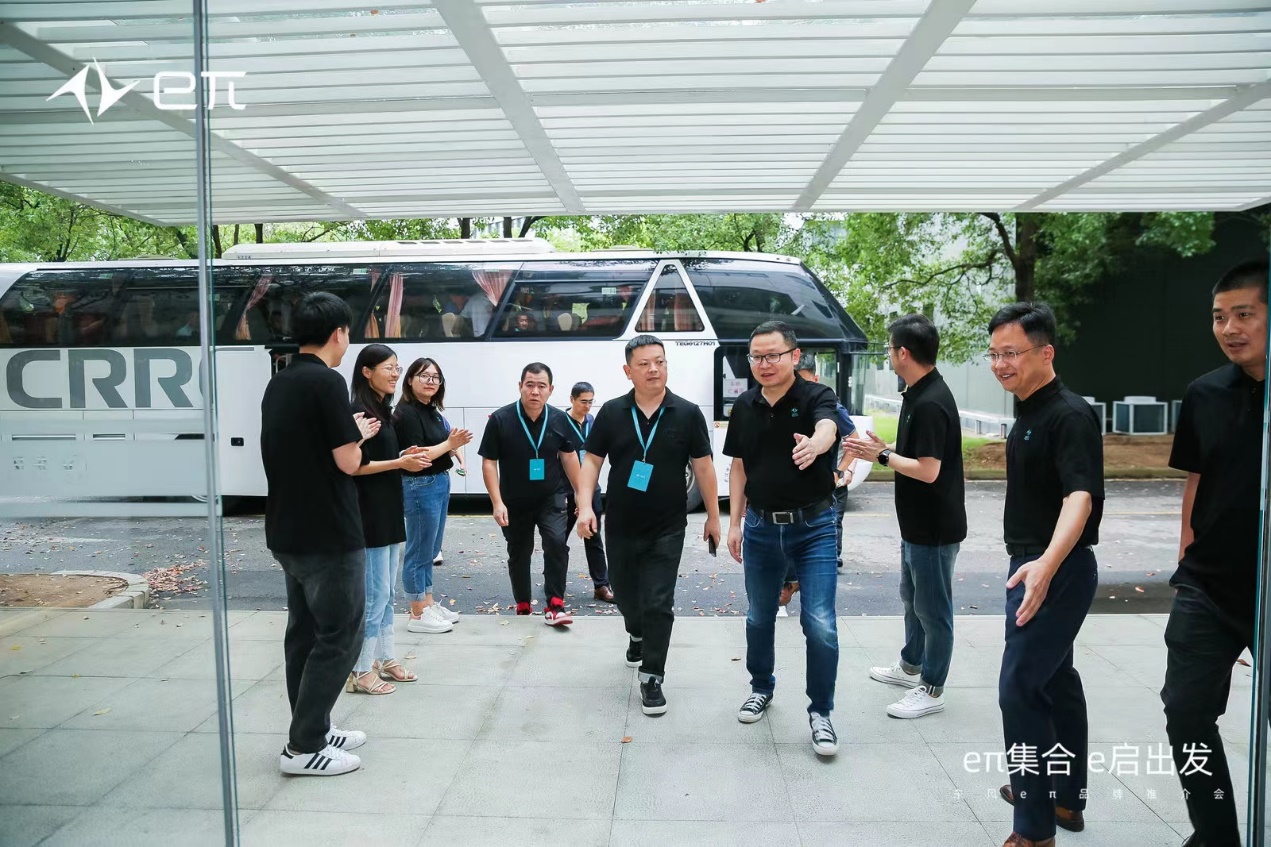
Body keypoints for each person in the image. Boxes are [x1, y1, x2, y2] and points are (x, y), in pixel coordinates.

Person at [987, 302, 1103, 847]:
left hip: (1053, 567)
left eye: (1011, 353)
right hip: (1036, 563)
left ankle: (1033, 830)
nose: (1000, 364)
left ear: (1046, 352)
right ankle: (1064, 797)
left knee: (1019, 688)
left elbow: (1080, 496)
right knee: (1057, 681)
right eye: (994, 354)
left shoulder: (1069, 415)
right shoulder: (1029, 412)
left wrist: (1046, 567)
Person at [1162, 259, 1268, 847]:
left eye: (1244, 314)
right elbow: (1196, 481)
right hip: (1208, 586)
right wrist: (1186, 560)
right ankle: (1215, 833)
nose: (1229, 328)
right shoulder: (1204, 393)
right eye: (1219, 316)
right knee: (1186, 712)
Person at [260, 291, 374, 777]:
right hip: (329, 530)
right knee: (341, 633)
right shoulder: (327, 382)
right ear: (338, 333)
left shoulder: (280, 381)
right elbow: (347, 461)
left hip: (288, 528)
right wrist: (359, 435)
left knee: (304, 634)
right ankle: (304, 746)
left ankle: (314, 726)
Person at [575, 336, 720, 715]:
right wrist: (584, 506)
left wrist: (714, 516)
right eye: (644, 363)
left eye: (660, 361)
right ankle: (636, 634)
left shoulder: (687, 413)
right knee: (625, 595)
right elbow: (592, 462)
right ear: (628, 371)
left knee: (659, 601)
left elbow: (704, 467)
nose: (654, 369)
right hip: (621, 524)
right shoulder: (612, 412)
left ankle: (652, 676)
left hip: (667, 526)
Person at [724, 320, 843, 757]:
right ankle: (761, 687)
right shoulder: (745, 405)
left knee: (820, 623)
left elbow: (829, 428)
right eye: (757, 356)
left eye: (773, 355)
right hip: (759, 527)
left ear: (794, 355)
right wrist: (734, 523)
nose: (764, 363)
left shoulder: (816, 395)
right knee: (759, 617)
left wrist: (815, 444)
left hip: (814, 529)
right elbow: (738, 467)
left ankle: (821, 712)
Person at [843, 314, 967, 719]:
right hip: (916, 524)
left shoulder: (931, 402)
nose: (888, 355)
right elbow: (919, 450)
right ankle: (911, 665)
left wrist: (881, 455)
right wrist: (887, 447)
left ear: (904, 353)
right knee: (912, 598)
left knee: (933, 610)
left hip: (934, 526)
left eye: (889, 348)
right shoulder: (918, 393)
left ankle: (932, 688)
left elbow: (929, 470)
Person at [346, 344, 431, 695]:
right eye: (389, 368)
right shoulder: (358, 412)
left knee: (386, 593)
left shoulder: (382, 409)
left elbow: (377, 457)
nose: (396, 373)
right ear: (367, 372)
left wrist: (400, 455)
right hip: (369, 516)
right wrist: (399, 463)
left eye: (397, 367)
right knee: (375, 595)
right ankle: (360, 670)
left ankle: (386, 658)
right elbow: (354, 466)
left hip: (388, 511)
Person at [479, 363, 583, 625]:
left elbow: (569, 456)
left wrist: (581, 495)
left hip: (551, 497)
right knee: (519, 551)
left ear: (551, 390)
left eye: (541, 386)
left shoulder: (559, 419)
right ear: (520, 386)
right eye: (530, 385)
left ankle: (555, 604)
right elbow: (489, 462)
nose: (535, 391)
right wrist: (497, 502)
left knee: (556, 543)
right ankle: (523, 604)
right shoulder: (500, 419)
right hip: (514, 500)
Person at [394, 357, 472, 634]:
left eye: (435, 377)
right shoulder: (406, 413)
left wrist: (453, 448)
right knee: (419, 550)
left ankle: (427, 603)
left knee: (431, 547)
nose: (430, 381)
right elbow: (419, 455)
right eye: (424, 376)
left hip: (438, 480)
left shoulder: (432, 410)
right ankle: (418, 613)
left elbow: (442, 444)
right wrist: (450, 443)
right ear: (410, 380)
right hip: (419, 484)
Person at [780, 355, 858, 611]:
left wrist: (839, 472)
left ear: (815, 379)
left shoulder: (830, 405)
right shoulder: (782, 404)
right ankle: (790, 585)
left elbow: (853, 440)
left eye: (804, 382)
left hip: (825, 493)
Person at [562, 382, 614, 603]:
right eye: (583, 401)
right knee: (557, 539)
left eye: (591, 402)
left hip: (590, 488)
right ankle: (554, 583)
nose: (587, 406)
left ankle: (601, 585)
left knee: (594, 537)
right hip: (565, 489)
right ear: (572, 399)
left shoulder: (592, 421)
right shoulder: (560, 422)